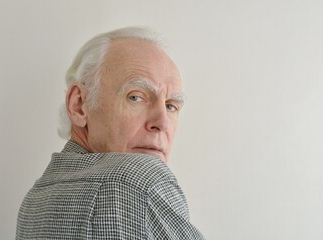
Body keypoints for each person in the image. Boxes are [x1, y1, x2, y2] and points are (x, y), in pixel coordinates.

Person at [16, 27, 205, 239]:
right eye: (136, 97)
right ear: (79, 105)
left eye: (171, 106)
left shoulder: (34, 200)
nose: (162, 122)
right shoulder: (142, 181)